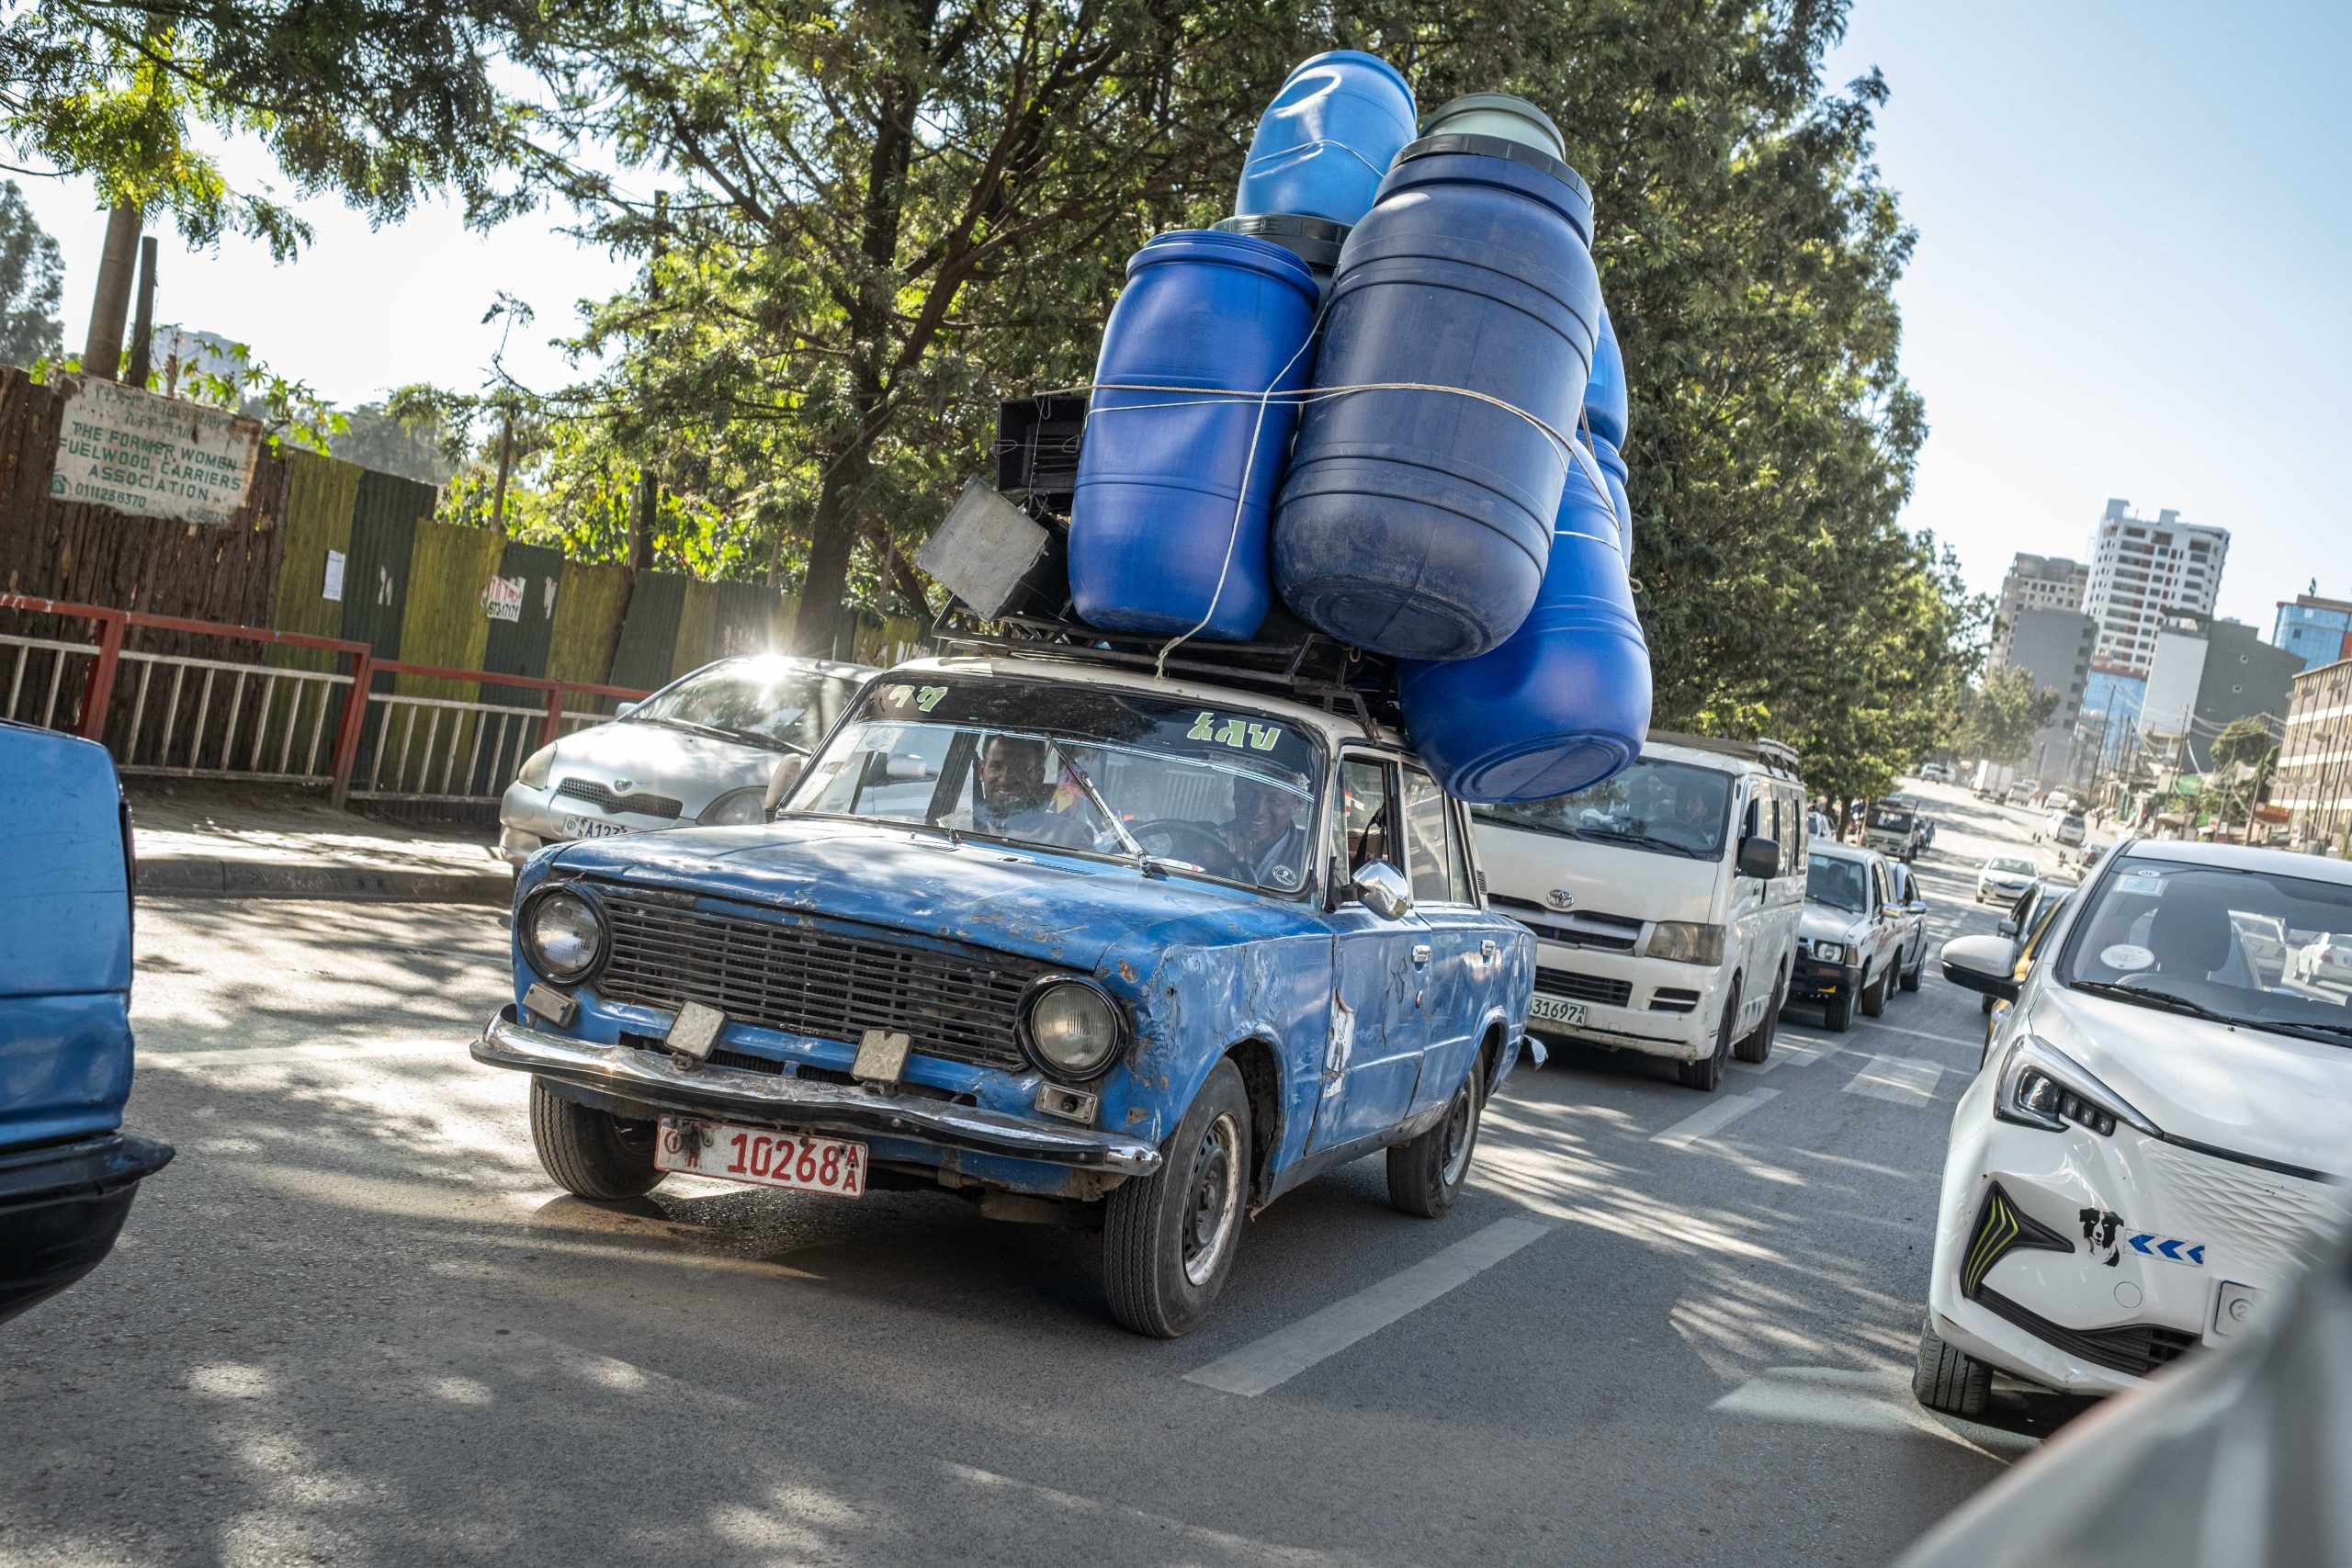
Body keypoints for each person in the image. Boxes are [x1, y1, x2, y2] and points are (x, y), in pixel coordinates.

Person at [967, 735, 1089, 848]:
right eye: (996, 766)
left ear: (1039, 776)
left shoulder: (1070, 840)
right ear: (981, 771)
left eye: (1019, 768)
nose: (1006, 779)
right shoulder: (955, 828)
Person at [1217, 775, 1310, 889]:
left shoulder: (1312, 860)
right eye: (1249, 795)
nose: (1258, 810)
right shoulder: (1205, 838)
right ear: (1236, 792)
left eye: (1275, 800)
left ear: (1297, 805)